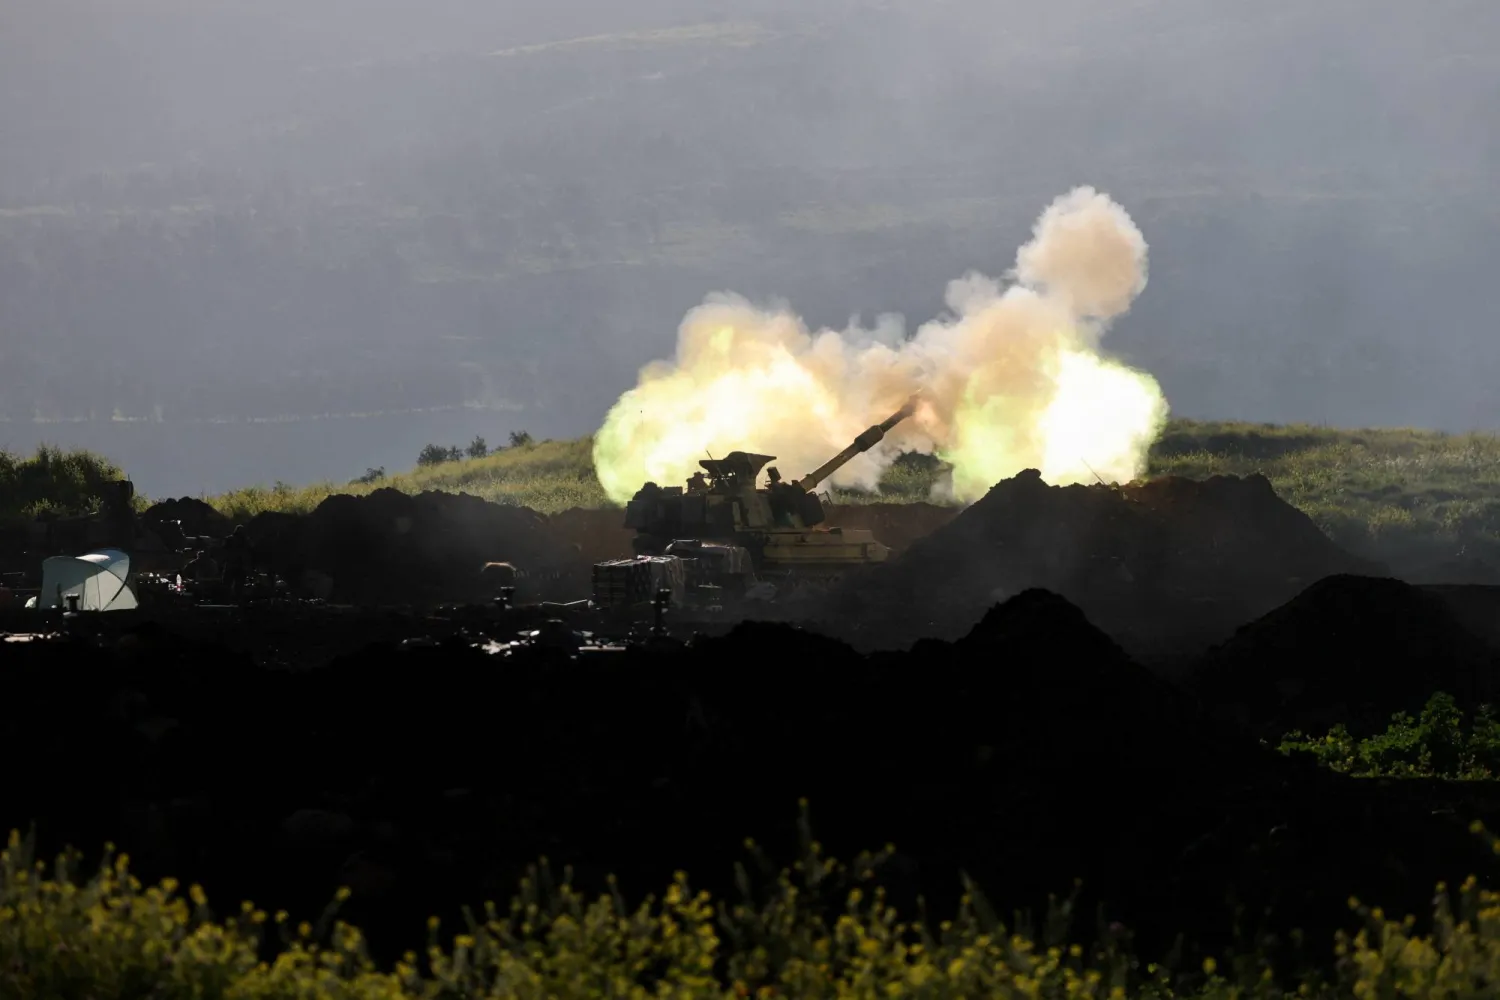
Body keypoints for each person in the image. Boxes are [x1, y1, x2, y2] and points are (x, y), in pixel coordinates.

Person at [221, 525, 251, 599]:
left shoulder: (229, 539)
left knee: (227, 584)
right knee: (238, 586)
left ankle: (227, 599)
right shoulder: (245, 541)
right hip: (239, 566)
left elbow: (223, 551)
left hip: (232, 565)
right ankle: (236, 600)